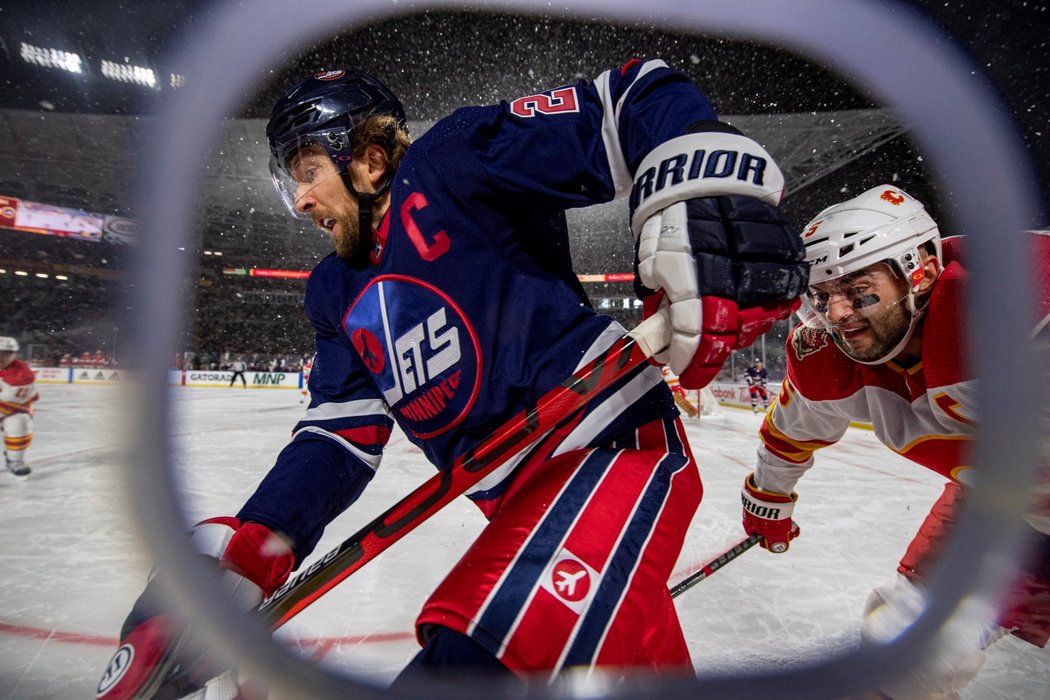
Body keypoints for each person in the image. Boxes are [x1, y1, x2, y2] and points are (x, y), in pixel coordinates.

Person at [97, 60, 807, 698]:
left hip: (610, 450)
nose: (302, 201)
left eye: (307, 171)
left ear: (370, 159)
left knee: (481, 648)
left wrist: (703, 184)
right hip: (514, 506)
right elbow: (338, 440)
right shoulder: (333, 292)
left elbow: (631, 98)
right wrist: (256, 544)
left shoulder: (453, 159)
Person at [738, 185, 1050, 699]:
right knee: (901, 657)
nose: (838, 314)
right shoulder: (828, 358)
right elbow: (789, 434)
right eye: (823, 296)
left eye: (860, 291)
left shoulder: (1016, 315)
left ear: (921, 272)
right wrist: (768, 498)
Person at [0, 336, 38, 477]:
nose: (1, 357)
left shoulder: (22, 375)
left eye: (6, 353)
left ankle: (14, 460)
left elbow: (7, 404)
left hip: (14, 409)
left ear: (14, 355)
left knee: (19, 424)